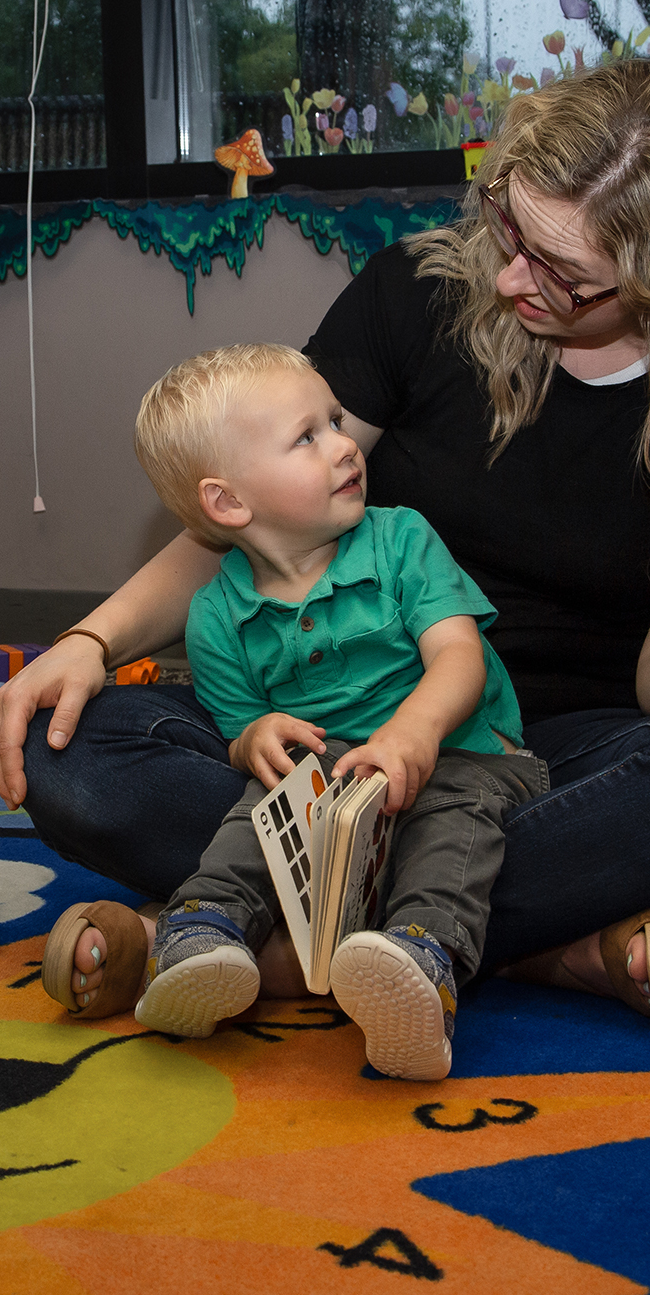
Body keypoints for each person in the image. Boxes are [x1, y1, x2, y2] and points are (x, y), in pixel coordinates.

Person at [0, 56, 650, 1029]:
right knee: (72, 746)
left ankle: (270, 931)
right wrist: (89, 644)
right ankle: (527, 944)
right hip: (333, 728)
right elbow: (255, 520)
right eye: (510, 227)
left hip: (540, 760)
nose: (513, 276)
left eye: (563, 275)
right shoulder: (417, 292)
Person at [86, 343, 560, 1080]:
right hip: (334, 777)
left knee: (454, 820)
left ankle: (418, 963)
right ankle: (204, 930)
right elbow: (240, 731)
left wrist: (413, 733)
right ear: (229, 503)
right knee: (261, 804)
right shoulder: (215, 616)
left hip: (465, 753)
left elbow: (459, 659)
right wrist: (255, 739)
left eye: (335, 421)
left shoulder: (402, 539)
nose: (346, 445)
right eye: (308, 437)